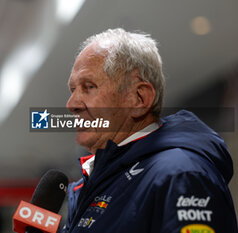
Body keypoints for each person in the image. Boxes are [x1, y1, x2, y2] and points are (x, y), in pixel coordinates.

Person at [62, 28, 238, 233]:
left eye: (89, 87)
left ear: (139, 99)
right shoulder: (88, 186)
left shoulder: (180, 173)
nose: (71, 104)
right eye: (73, 90)